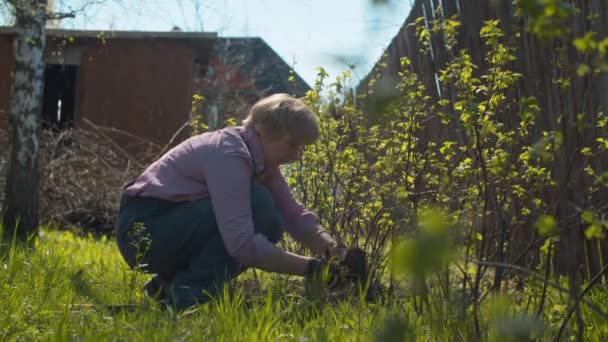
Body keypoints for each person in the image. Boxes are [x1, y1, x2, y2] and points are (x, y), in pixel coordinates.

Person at [115, 93, 347, 311]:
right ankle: (185, 296)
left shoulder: (260, 159)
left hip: (164, 227)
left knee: (271, 218)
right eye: (292, 145)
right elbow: (242, 244)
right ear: (264, 130)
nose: (297, 156)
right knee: (261, 207)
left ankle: (167, 287)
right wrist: (312, 269)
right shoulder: (230, 155)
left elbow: (293, 215)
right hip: (142, 232)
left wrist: (334, 250)